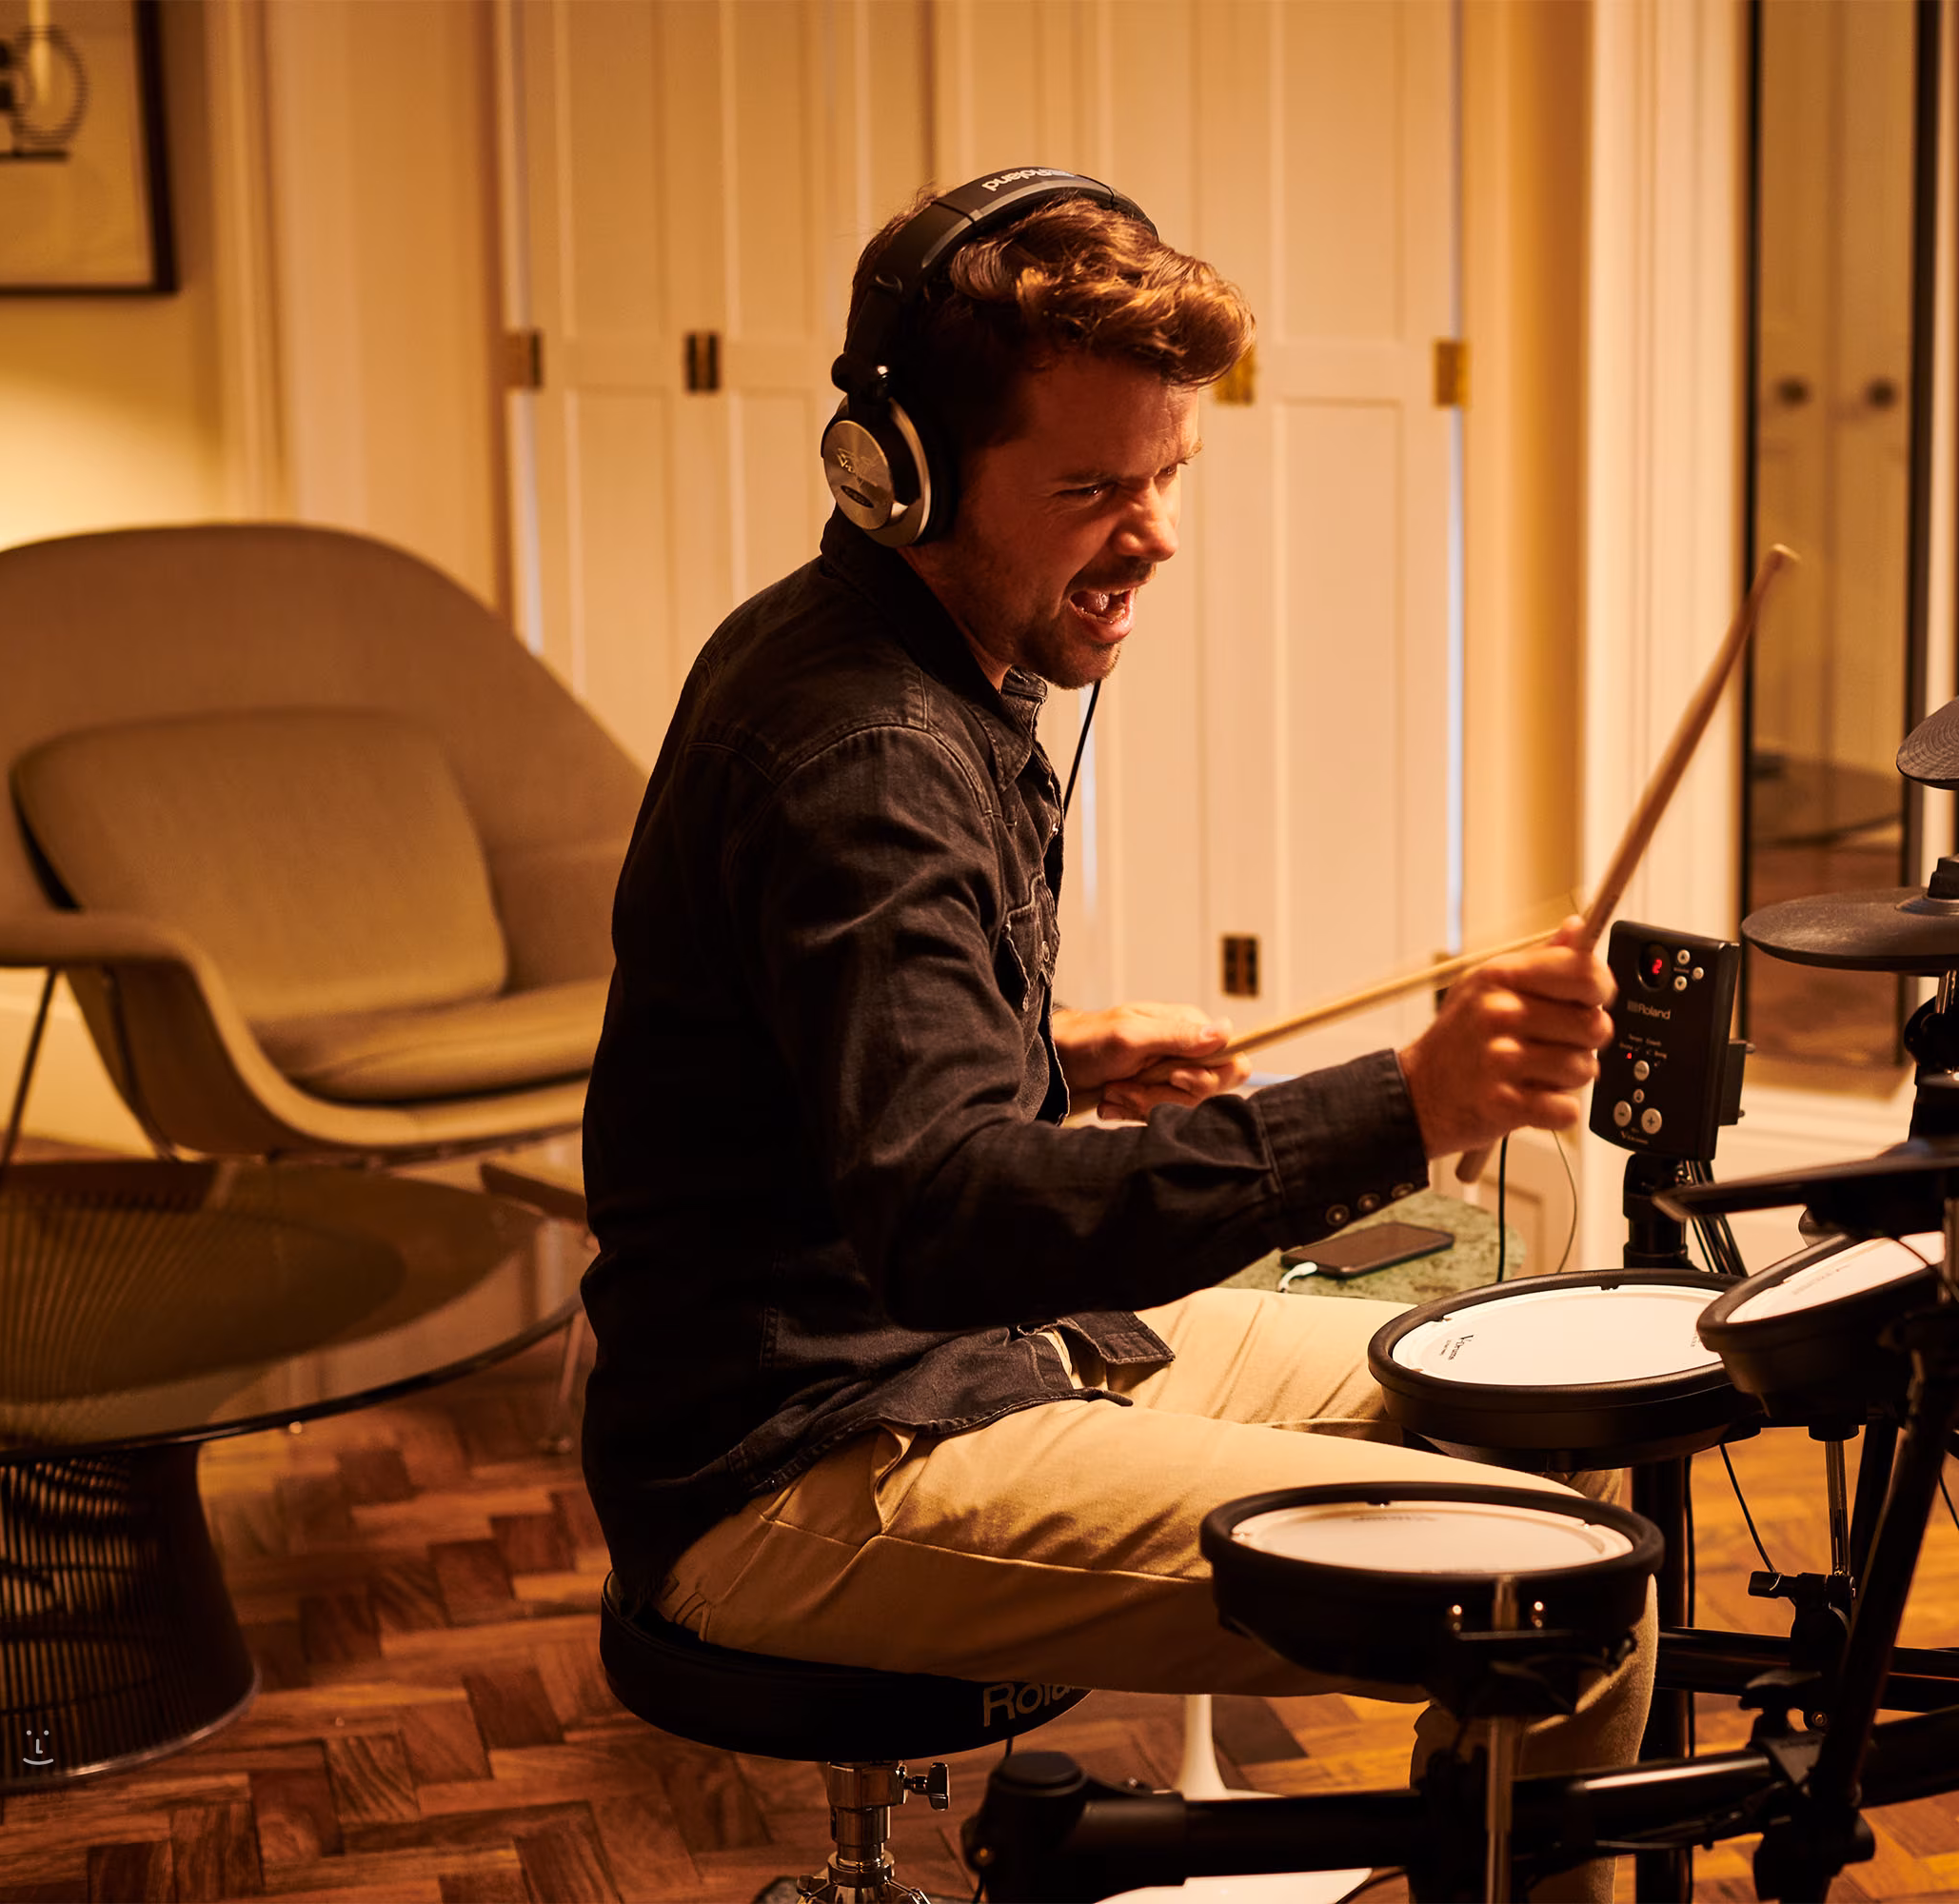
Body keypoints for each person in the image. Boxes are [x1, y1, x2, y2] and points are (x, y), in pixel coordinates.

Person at [579, 169, 1644, 1892]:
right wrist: (1409, 1103)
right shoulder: (867, 755)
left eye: (1166, 477)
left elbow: (819, 1072)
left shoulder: (902, 667)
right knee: (1556, 1594)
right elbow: (950, 1221)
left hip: (942, 1358)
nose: (1152, 535)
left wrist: (1054, 1056)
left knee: (1542, 1426)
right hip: (799, 1461)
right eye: (1091, 489)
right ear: (900, 472)